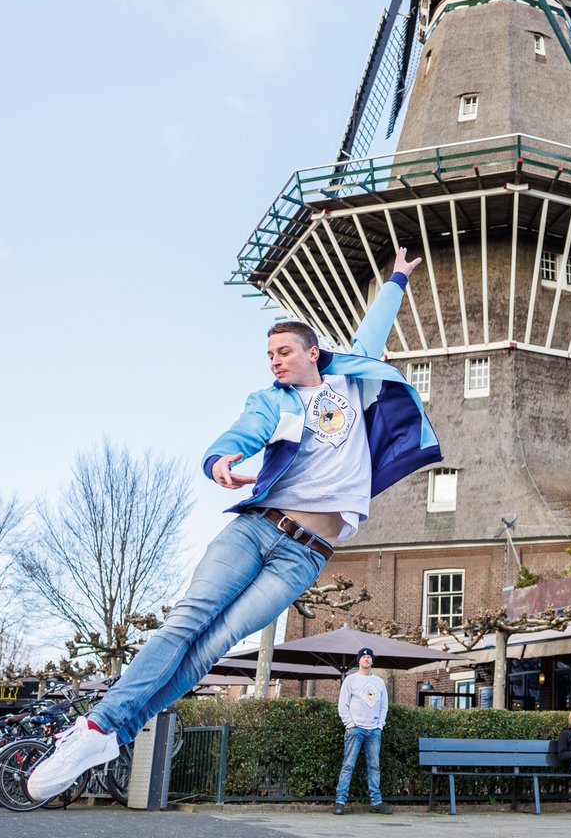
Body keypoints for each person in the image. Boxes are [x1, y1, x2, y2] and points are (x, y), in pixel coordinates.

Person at [28, 248, 440, 802]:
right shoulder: (272, 402)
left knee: (210, 650)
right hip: (257, 529)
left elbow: (372, 330)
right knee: (186, 623)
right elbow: (242, 431)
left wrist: (394, 279)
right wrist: (220, 460)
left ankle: (110, 733)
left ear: (312, 352)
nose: (274, 360)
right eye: (269, 353)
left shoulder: (350, 384)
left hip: (306, 554)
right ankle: (98, 728)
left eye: (284, 350)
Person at [333, 646, 392, 815]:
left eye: (369, 657)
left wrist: (380, 725)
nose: (366, 659)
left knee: (374, 767)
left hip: (374, 730)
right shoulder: (351, 680)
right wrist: (350, 724)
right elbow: (342, 705)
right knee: (348, 765)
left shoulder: (379, 682)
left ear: (372, 661)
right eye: (363, 657)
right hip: (355, 730)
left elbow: (384, 706)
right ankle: (340, 802)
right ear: (358, 660)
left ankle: (376, 802)